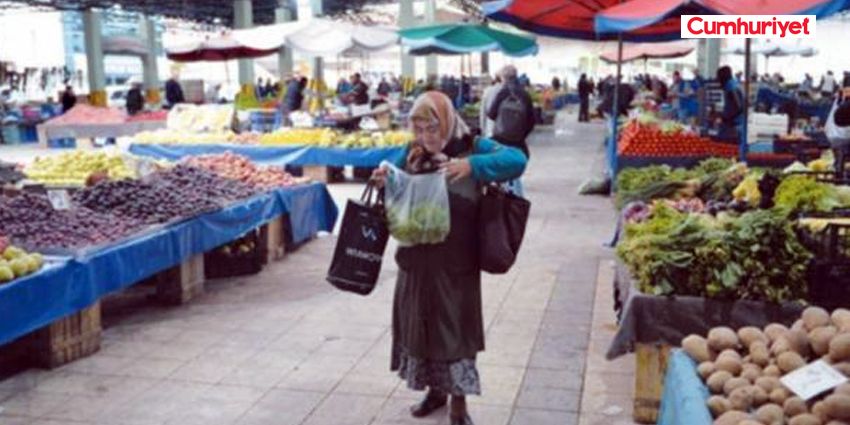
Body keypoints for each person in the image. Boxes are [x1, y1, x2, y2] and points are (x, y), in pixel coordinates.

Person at [371, 91, 527, 425]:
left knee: (456, 330)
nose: (426, 138)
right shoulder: (410, 152)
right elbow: (393, 179)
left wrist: (471, 166)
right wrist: (384, 178)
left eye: (432, 129)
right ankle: (434, 391)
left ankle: (459, 403)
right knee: (422, 327)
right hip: (416, 259)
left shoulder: (473, 146)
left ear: (447, 122)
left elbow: (517, 160)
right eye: (420, 129)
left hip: (457, 260)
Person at [487, 65, 536, 158]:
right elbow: (532, 120)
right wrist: (521, 134)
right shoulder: (524, 94)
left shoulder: (502, 93)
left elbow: (491, 114)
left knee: (501, 164)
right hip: (518, 141)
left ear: (503, 78)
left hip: (500, 139)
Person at [716, 66, 744, 143]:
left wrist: (725, 118)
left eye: (718, 77)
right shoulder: (732, 84)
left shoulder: (731, 87)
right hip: (733, 122)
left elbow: (738, 106)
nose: (718, 80)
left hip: (734, 124)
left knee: (725, 146)